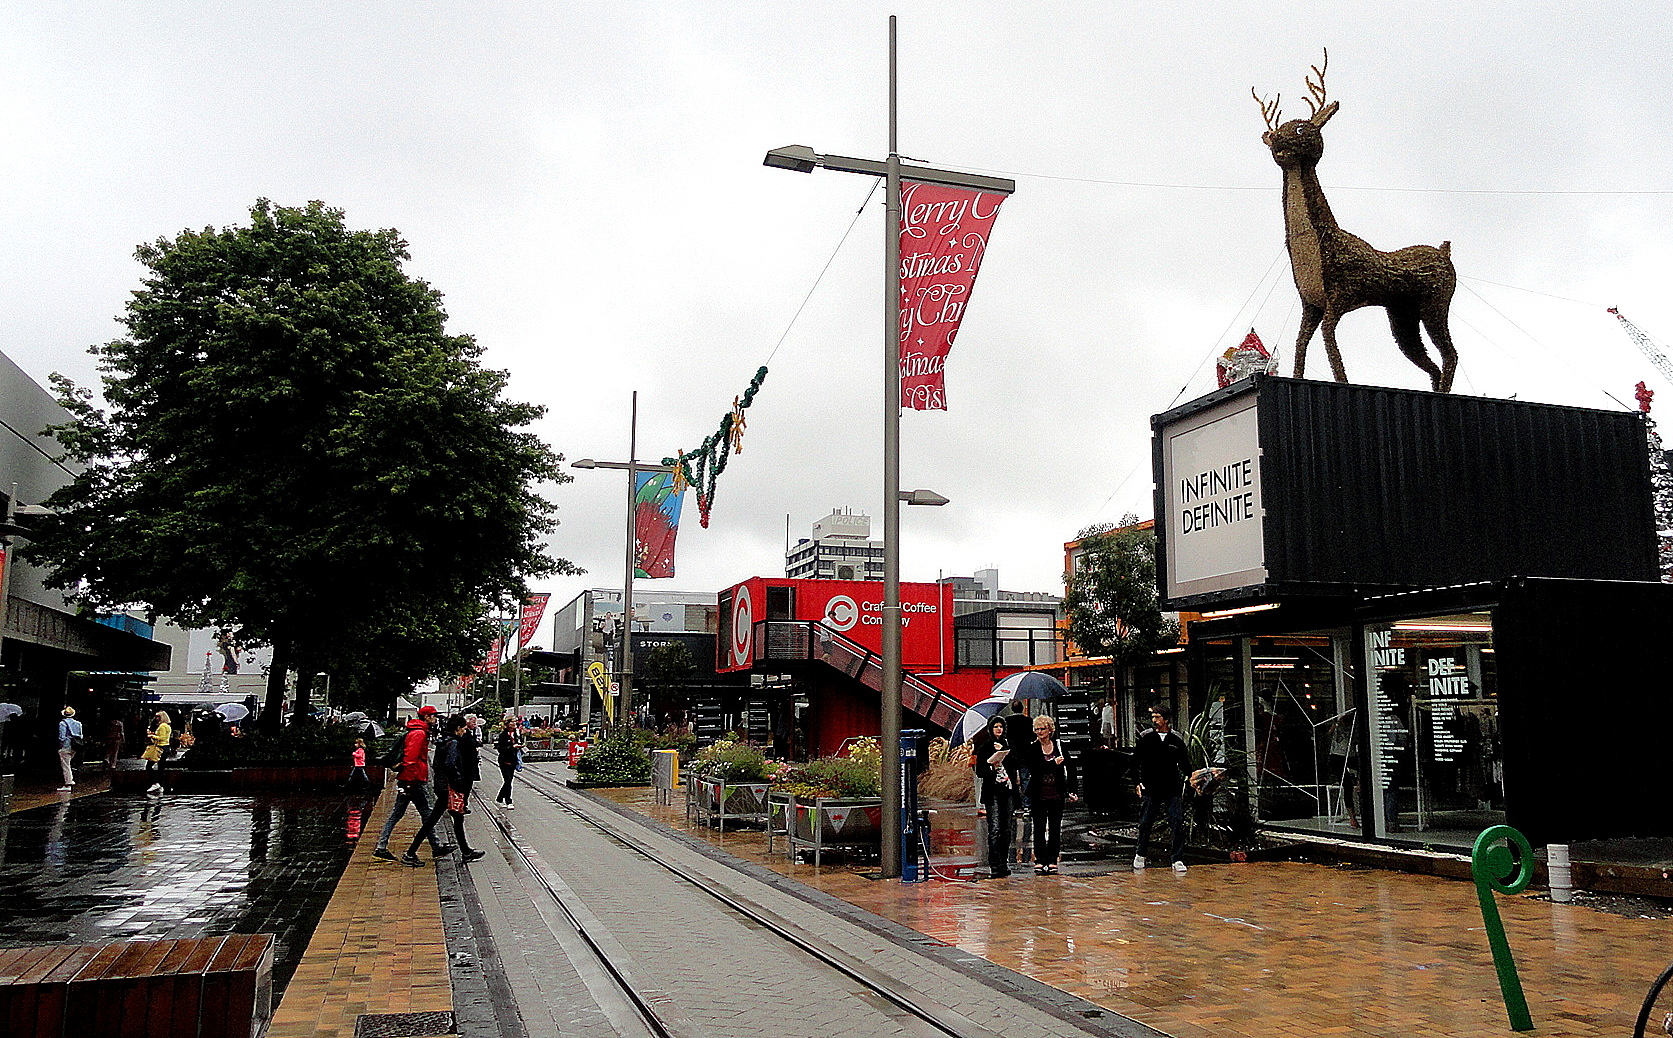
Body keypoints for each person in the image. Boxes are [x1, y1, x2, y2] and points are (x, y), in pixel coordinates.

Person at [372, 705, 453, 863]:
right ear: (427, 717)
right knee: (425, 813)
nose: (435, 719)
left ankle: (382, 846)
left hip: (410, 778)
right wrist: (410, 781)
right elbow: (410, 757)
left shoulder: (418, 731)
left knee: (406, 813)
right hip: (413, 779)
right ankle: (432, 847)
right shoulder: (419, 733)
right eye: (433, 715)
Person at [406, 713, 485, 865]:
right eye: (463, 729)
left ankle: (466, 851)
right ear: (458, 728)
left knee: (454, 818)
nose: (464, 731)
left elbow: (438, 765)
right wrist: (458, 781)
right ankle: (410, 853)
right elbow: (450, 765)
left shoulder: (443, 741)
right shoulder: (453, 743)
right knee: (434, 820)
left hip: (441, 785)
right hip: (449, 787)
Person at [1132, 703, 1192, 873]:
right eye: (1153, 717)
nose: (1154, 720)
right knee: (1145, 822)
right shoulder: (1146, 737)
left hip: (1171, 786)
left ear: (1166, 719)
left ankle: (1177, 858)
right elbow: (1135, 761)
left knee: (1176, 821)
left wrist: (1193, 777)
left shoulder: (1176, 739)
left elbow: (1184, 763)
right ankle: (1140, 853)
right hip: (1150, 786)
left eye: (1157, 717)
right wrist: (1137, 782)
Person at [1020, 714, 1077, 874]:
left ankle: (1052, 859)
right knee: (1038, 827)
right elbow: (1035, 770)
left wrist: (1072, 790)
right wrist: (1052, 763)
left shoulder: (1059, 746)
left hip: (1056, 793)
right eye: (1037, 729)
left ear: (1050, 730)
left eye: (1042, 729)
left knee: (1055, 827)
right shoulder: (1033, 749)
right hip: (1038, 794)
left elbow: (1070, 767)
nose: (1039, 732)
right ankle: (1040, 859)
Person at [972, 715, 1019, 877]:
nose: (998, 729)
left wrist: (1004, 752)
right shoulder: (985, 747)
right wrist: (991, 765)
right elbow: (980, 771)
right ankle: (994, 863)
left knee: (1007, 829)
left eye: (1001, 726)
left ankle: (1003, 862)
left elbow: (1016, 763)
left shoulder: (1009, 744)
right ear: (991, 729)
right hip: (993, 792)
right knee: (995, 828)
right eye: (995, 727)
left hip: (1008, 790)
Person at [494, 715, 523, 809]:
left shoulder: (517, 733)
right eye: (512, 722)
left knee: (509, 780)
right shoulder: (503, 735)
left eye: (515, 721)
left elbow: (520, 741)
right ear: (507, 723)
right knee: (508, 781)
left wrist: (520, 745)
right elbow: (500, 748)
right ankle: (508, 801)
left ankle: (499, 799)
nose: (515, 723)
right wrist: (511, 747)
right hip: (504, 760)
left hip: (513, 759)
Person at [142, 710, 172, 795]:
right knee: (161, 767)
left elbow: (162, 737)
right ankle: (161, 784)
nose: (156, 718)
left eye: (158, 717)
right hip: (166, 746)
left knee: (149, 766)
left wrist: (152, 736)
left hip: (160, 747)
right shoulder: (167, 726)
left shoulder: (162, 726)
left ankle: (154, 782)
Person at [56, 707, 84, 791]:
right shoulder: (78, 723)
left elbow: (62, 737)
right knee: (68, 764)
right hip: (75, 746)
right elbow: (81, 736)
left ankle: (68, 783)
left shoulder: (62, 723)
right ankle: (70, 779)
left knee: (65, 765)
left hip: (66, 745)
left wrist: (61, 746)